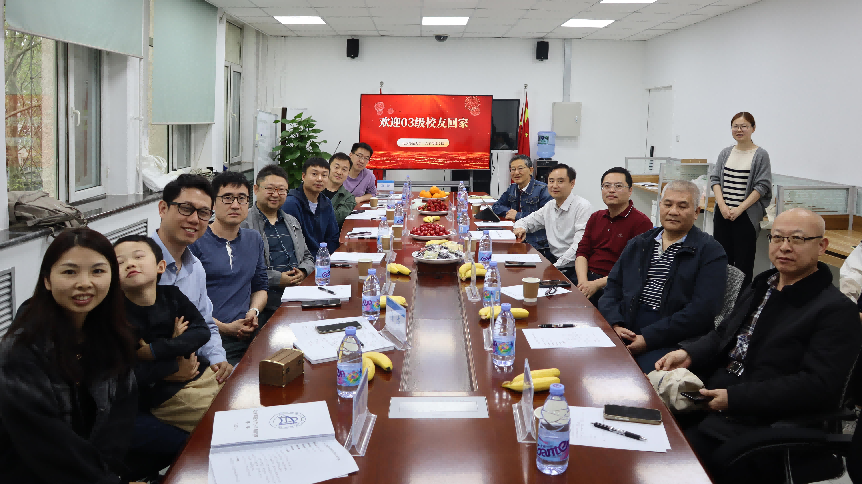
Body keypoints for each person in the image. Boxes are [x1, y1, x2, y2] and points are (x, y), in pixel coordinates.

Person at [655, 208, 862, 482]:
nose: (784, 247)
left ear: (821, 246)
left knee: (669, 463)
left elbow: (817, 386)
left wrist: (733, 399)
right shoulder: (764, 284)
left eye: (797, 239)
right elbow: (723, 334)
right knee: (645, 424)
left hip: (760, 419)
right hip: (714, 394)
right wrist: (689, 353)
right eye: (777, 238)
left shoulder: (835, 310)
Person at [0, 228, 144, 484]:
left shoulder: (114, 334)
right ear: (47, 280)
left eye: (97, 271)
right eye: (69, 272)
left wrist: (109, 474)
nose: (84, 283)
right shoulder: (20, 350)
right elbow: (45, 443)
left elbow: (121, 418)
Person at [599, 180, 727, 373]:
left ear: (696, 212)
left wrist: (648, 338)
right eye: (668, 204)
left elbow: (702, 311)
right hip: (627, 325)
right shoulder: (640, 243)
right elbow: (612, 288)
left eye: (682, 206)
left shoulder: (710, 251)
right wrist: (615, 323)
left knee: (634, 375)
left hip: (673, 337)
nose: (673, 211)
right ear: (660, 206)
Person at [114, 235, 213, 472]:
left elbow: (201, 331)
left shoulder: (172, 295)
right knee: (223, 424)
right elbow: (128, 371)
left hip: (202, 374)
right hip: (168, 395)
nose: (130, 263)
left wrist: (155, 349)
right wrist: (174, 358)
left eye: (138, 256)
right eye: (119, 262)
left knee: (243, 402)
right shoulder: (117, 317)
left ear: (160, 266)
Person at [152, 174, 233, 383]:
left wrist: (217, 359)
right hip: (152, 385)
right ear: (163, 209)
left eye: (204, 213)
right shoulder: (137, 264)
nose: (195, 219)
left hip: (194, 371)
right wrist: (165, 373)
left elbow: (206, 322)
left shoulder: (195, 267)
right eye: (186, 208)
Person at [189, 172, 268, 366]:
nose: (235, 205)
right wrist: (225, 328)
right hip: (211, 338)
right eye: (227, 198)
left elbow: (260, 287)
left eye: (242, 198)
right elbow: (187, 304)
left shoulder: (254, 239)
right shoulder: (195, 242)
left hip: (250, 333)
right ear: (213, 204)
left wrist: (254, 311)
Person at [241, 164, 315, 327]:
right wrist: (277, 279)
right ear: (256, 189)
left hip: (299, 295)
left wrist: (303, 271)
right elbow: (245, 268)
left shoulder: (291, 221)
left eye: (281, 190)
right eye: (270, 189)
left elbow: (308, 256)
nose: (275, 194)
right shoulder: (244, 225)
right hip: (266, 302)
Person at [574, 167, 653, 306]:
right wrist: (583, 282)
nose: (611, 190)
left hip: (614, 286)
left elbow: (633, 268)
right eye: (607, 186)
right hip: (586, 279)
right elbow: (582, 252)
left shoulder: (642, 222)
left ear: (630, 191)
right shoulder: (596, 217)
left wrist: (595, 285)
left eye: (618, 186)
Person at [710, 111, 772, 288]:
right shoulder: (725, 153)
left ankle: (742, 302)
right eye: (735, 126)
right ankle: (721, 299)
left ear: (753, 128)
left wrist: (739, 209)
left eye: (744, 126)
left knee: (743, 263)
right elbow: (715, 180)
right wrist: (722, 206)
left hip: (746, 215)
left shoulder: (760, 154)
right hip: (723, 213)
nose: (739, 130)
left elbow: (762, 186)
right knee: (721, 259)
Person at [512, 164, 593, 277]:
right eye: (551, 181)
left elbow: (579, 246)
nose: (554, 185)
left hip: (573, 267)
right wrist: (521, 228)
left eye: (560, 181)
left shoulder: (582, 207)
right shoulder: (550, 205)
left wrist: (554, 267)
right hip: (554, 260)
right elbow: (525, 221)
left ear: (572, 183)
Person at [491, 154, 552, 252]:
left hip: (537, 243)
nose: (516, 172)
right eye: (513, 169)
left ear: (531, 170)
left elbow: (546, 218)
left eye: (520, 168)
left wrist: (517, 215)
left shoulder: (543, 189)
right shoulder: (512, 188)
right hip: (515, 236)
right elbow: (496, 206)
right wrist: (509, 212)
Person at [282, 157, 341, 252]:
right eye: (314, 174)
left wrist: (328, 257)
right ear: (303, 176)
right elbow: (289, 243)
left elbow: (333, 237)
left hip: (323, 258)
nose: (319, 179)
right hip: (301, 259)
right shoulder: (291, 204)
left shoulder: (326, 202)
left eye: (324, 175)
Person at [324, 152, 358, 229]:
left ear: (348, 173)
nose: (339, 172)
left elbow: (335, 219)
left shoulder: (349, 198)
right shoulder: (315, 190)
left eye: (344, 169)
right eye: (336, 167)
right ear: (328, 168)